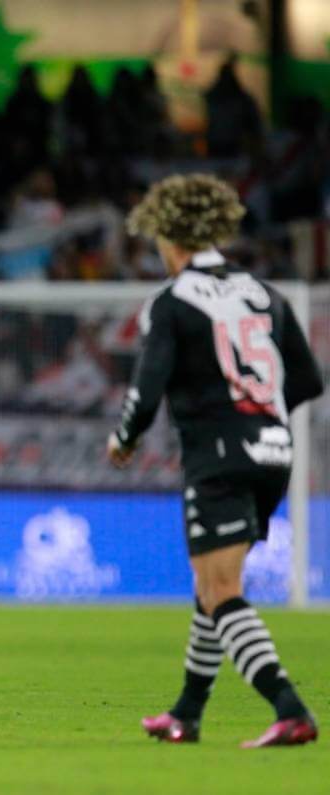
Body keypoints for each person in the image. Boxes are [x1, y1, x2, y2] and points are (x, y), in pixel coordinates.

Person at [107, 174, 323, 748]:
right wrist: (258, 417)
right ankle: (187, 713)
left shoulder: (173, 301)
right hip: (274, 453)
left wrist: (124, 438)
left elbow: (146, 387)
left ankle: (290, 708)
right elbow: (307, 378)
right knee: (212, 586)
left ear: (169, 239)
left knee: (222, 590)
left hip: (219, 455)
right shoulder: (263, 294)